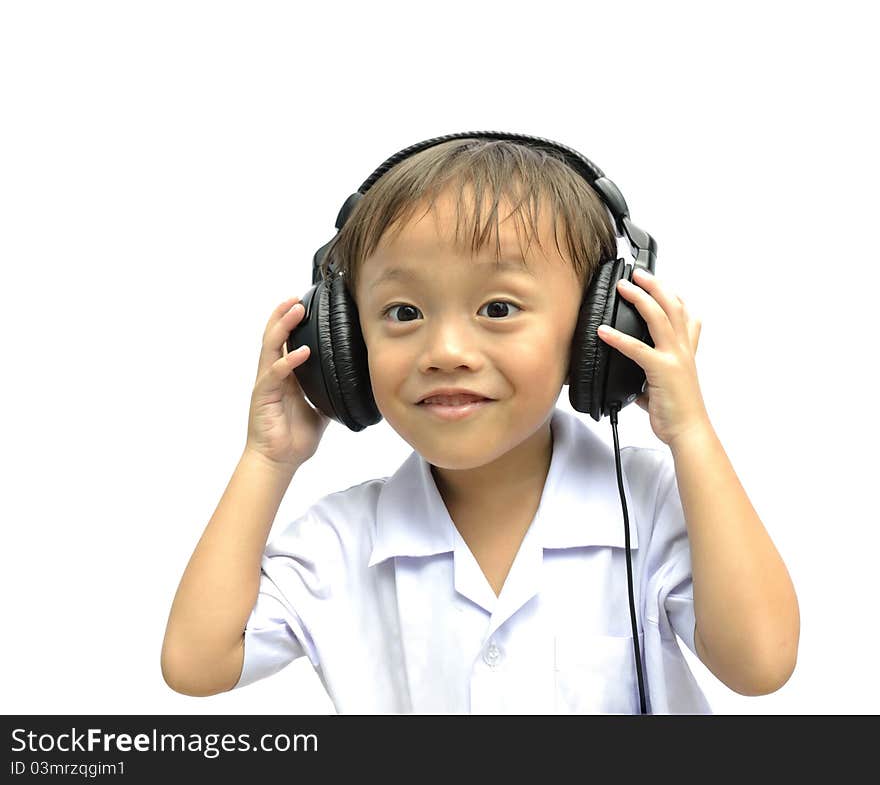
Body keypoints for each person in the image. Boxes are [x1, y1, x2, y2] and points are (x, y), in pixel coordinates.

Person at [160, 138, 800, 713]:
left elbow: (759, 665)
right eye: (403, 311)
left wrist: (692, 434)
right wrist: (267, 461)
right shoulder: (342, 541)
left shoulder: (652, 502)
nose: (445, 350)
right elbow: (196, 665)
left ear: (594, 335)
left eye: (498, 307)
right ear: (345, 345)